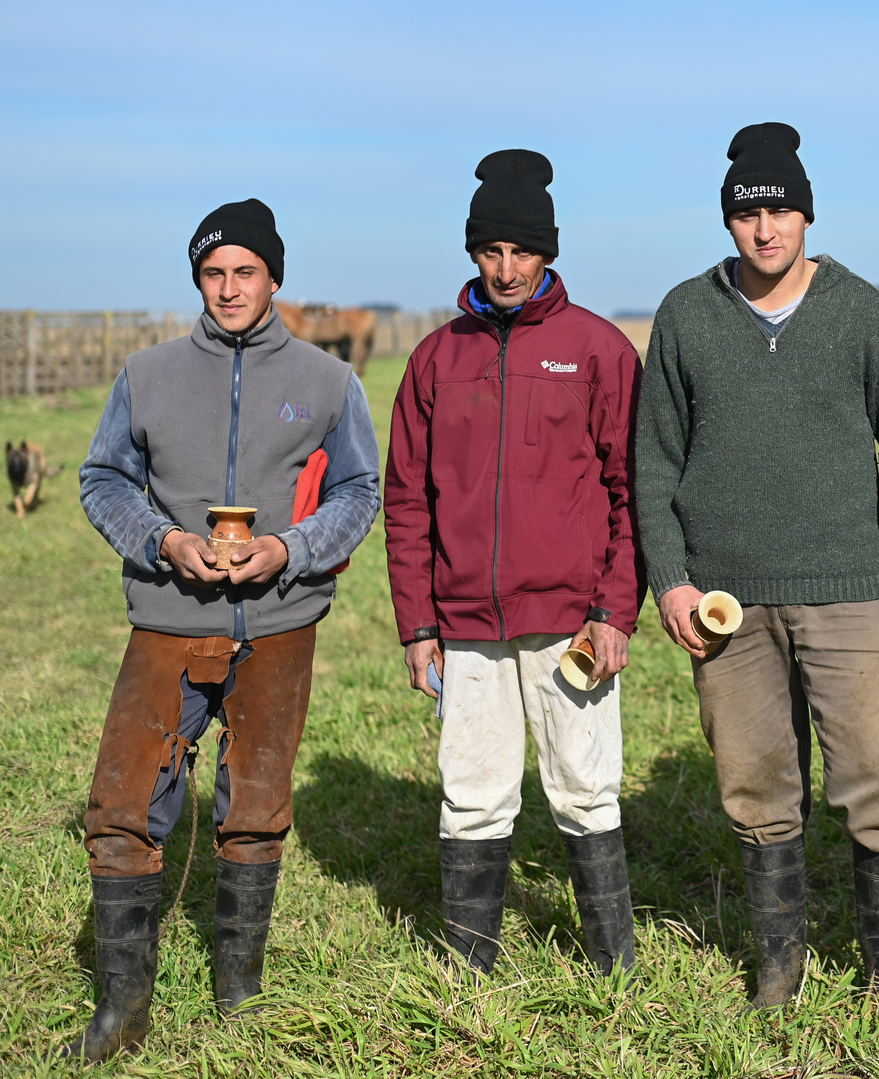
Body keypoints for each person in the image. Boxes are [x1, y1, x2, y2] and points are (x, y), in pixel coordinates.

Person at [72, 199, 381, 1060]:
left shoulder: (328, 381)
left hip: (280, 622)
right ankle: (121, 1010)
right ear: (197, 280)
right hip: (170, 619)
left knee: (256, 806)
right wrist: (163, 541)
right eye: (214, 273)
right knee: (122, 805)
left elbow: (363, 490)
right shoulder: (148, 373)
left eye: (246, 271)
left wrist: (290, 547)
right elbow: (102, 478)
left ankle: (237, 989)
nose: (230, 287)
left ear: (274, 277)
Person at [631, 123, 879, 1007]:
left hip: (851, 589)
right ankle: (778, 968)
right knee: (756, 782)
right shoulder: (687, 314)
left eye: (780, 210)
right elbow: (654, 461)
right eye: (748, 212)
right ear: (729, 222)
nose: (765, 229)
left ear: (806, 215)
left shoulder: (861, 311)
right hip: (725, 596)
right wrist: (671, 577)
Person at [385, 149, 642, 979]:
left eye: (521, 251)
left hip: (570, 620)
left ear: (548, 253)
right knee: (472, 794)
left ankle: (614, 967)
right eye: (491, 251)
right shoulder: (434, 360)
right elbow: (408, 501)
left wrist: (613, 609)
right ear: (473, 254)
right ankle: (470, 970)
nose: (506, 268)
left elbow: (630, 489)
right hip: (463, 625)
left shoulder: (598, 350)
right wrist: (417, 625)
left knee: (585, 787)